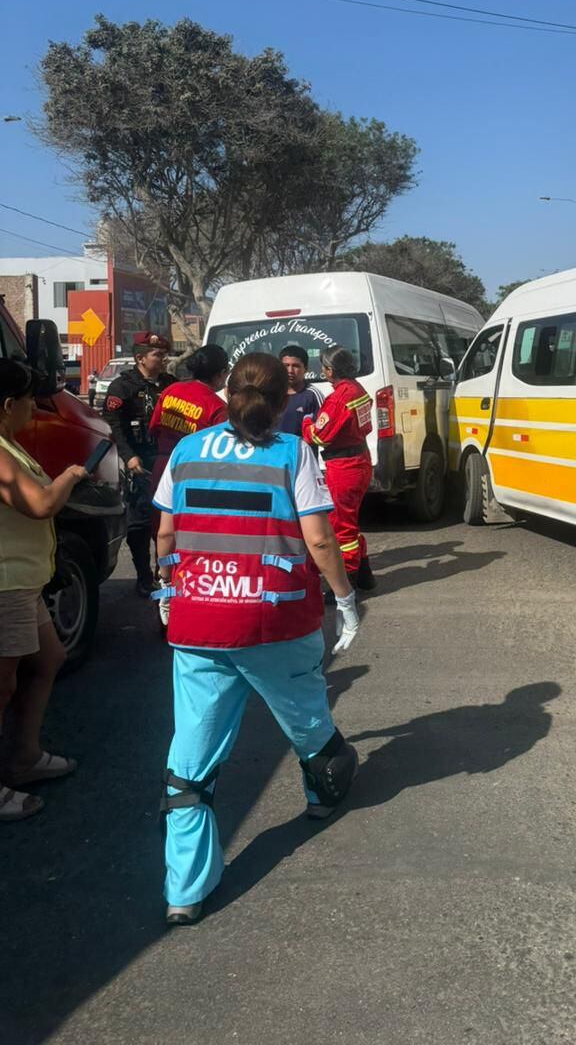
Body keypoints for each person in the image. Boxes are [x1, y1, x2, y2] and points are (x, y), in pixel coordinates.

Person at [152, 352, 361, 925]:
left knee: (190, 759)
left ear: (228, 392)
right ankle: (322, 798)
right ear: (280, 401)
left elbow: (166, 533)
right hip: (276, 620)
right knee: (308, 721)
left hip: (200, 623)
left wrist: (167, 593)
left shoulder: (186, 451)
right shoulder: (293, 452)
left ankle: (184, 889)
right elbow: (320, 541)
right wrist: (344, 601)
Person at [0, 359, 87, 822]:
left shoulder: (8, 444)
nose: (34, 407)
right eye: (29, 400)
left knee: (49, 660)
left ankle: (25, 757)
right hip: (5, 584)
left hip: (23, 580)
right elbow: (39, 505)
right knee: (2, 685)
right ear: (8, 404)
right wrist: (71, 476)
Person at [103, 332, 175, 597]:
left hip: (166, 458)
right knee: (141, 520)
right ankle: (144, 576)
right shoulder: (123, 387)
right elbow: (113, 423)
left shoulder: (170, 384)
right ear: (140, 358)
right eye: (157, 355)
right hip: (139, 461)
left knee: (168, 518)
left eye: (163, 354)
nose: (163, 359)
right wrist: (128, 455)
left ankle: (164, 572)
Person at [302, 347, 375, 592]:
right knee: (350, 521)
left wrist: (305, 423)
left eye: (323, 366)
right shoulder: (358, 389)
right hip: (360, 460)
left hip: (343, 467)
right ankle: (364, 575)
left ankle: (347, 585)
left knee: (342, 528)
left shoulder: (339, 398)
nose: (322, 370)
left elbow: (318, 436)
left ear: (330, 370)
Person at [148, 344, 230, 497]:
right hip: (195, 476)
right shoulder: (218, 407)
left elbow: (153, 428)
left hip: (162, 469)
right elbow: (222, 454)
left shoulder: (171, 390)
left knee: (159, 519)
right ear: (222, 373)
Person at [278, 345, 325, 436]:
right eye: (286, 365)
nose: (290, 370)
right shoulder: (271, 392)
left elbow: (322, 431)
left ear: (306, 368)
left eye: (296, 366)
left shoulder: (313, 395)